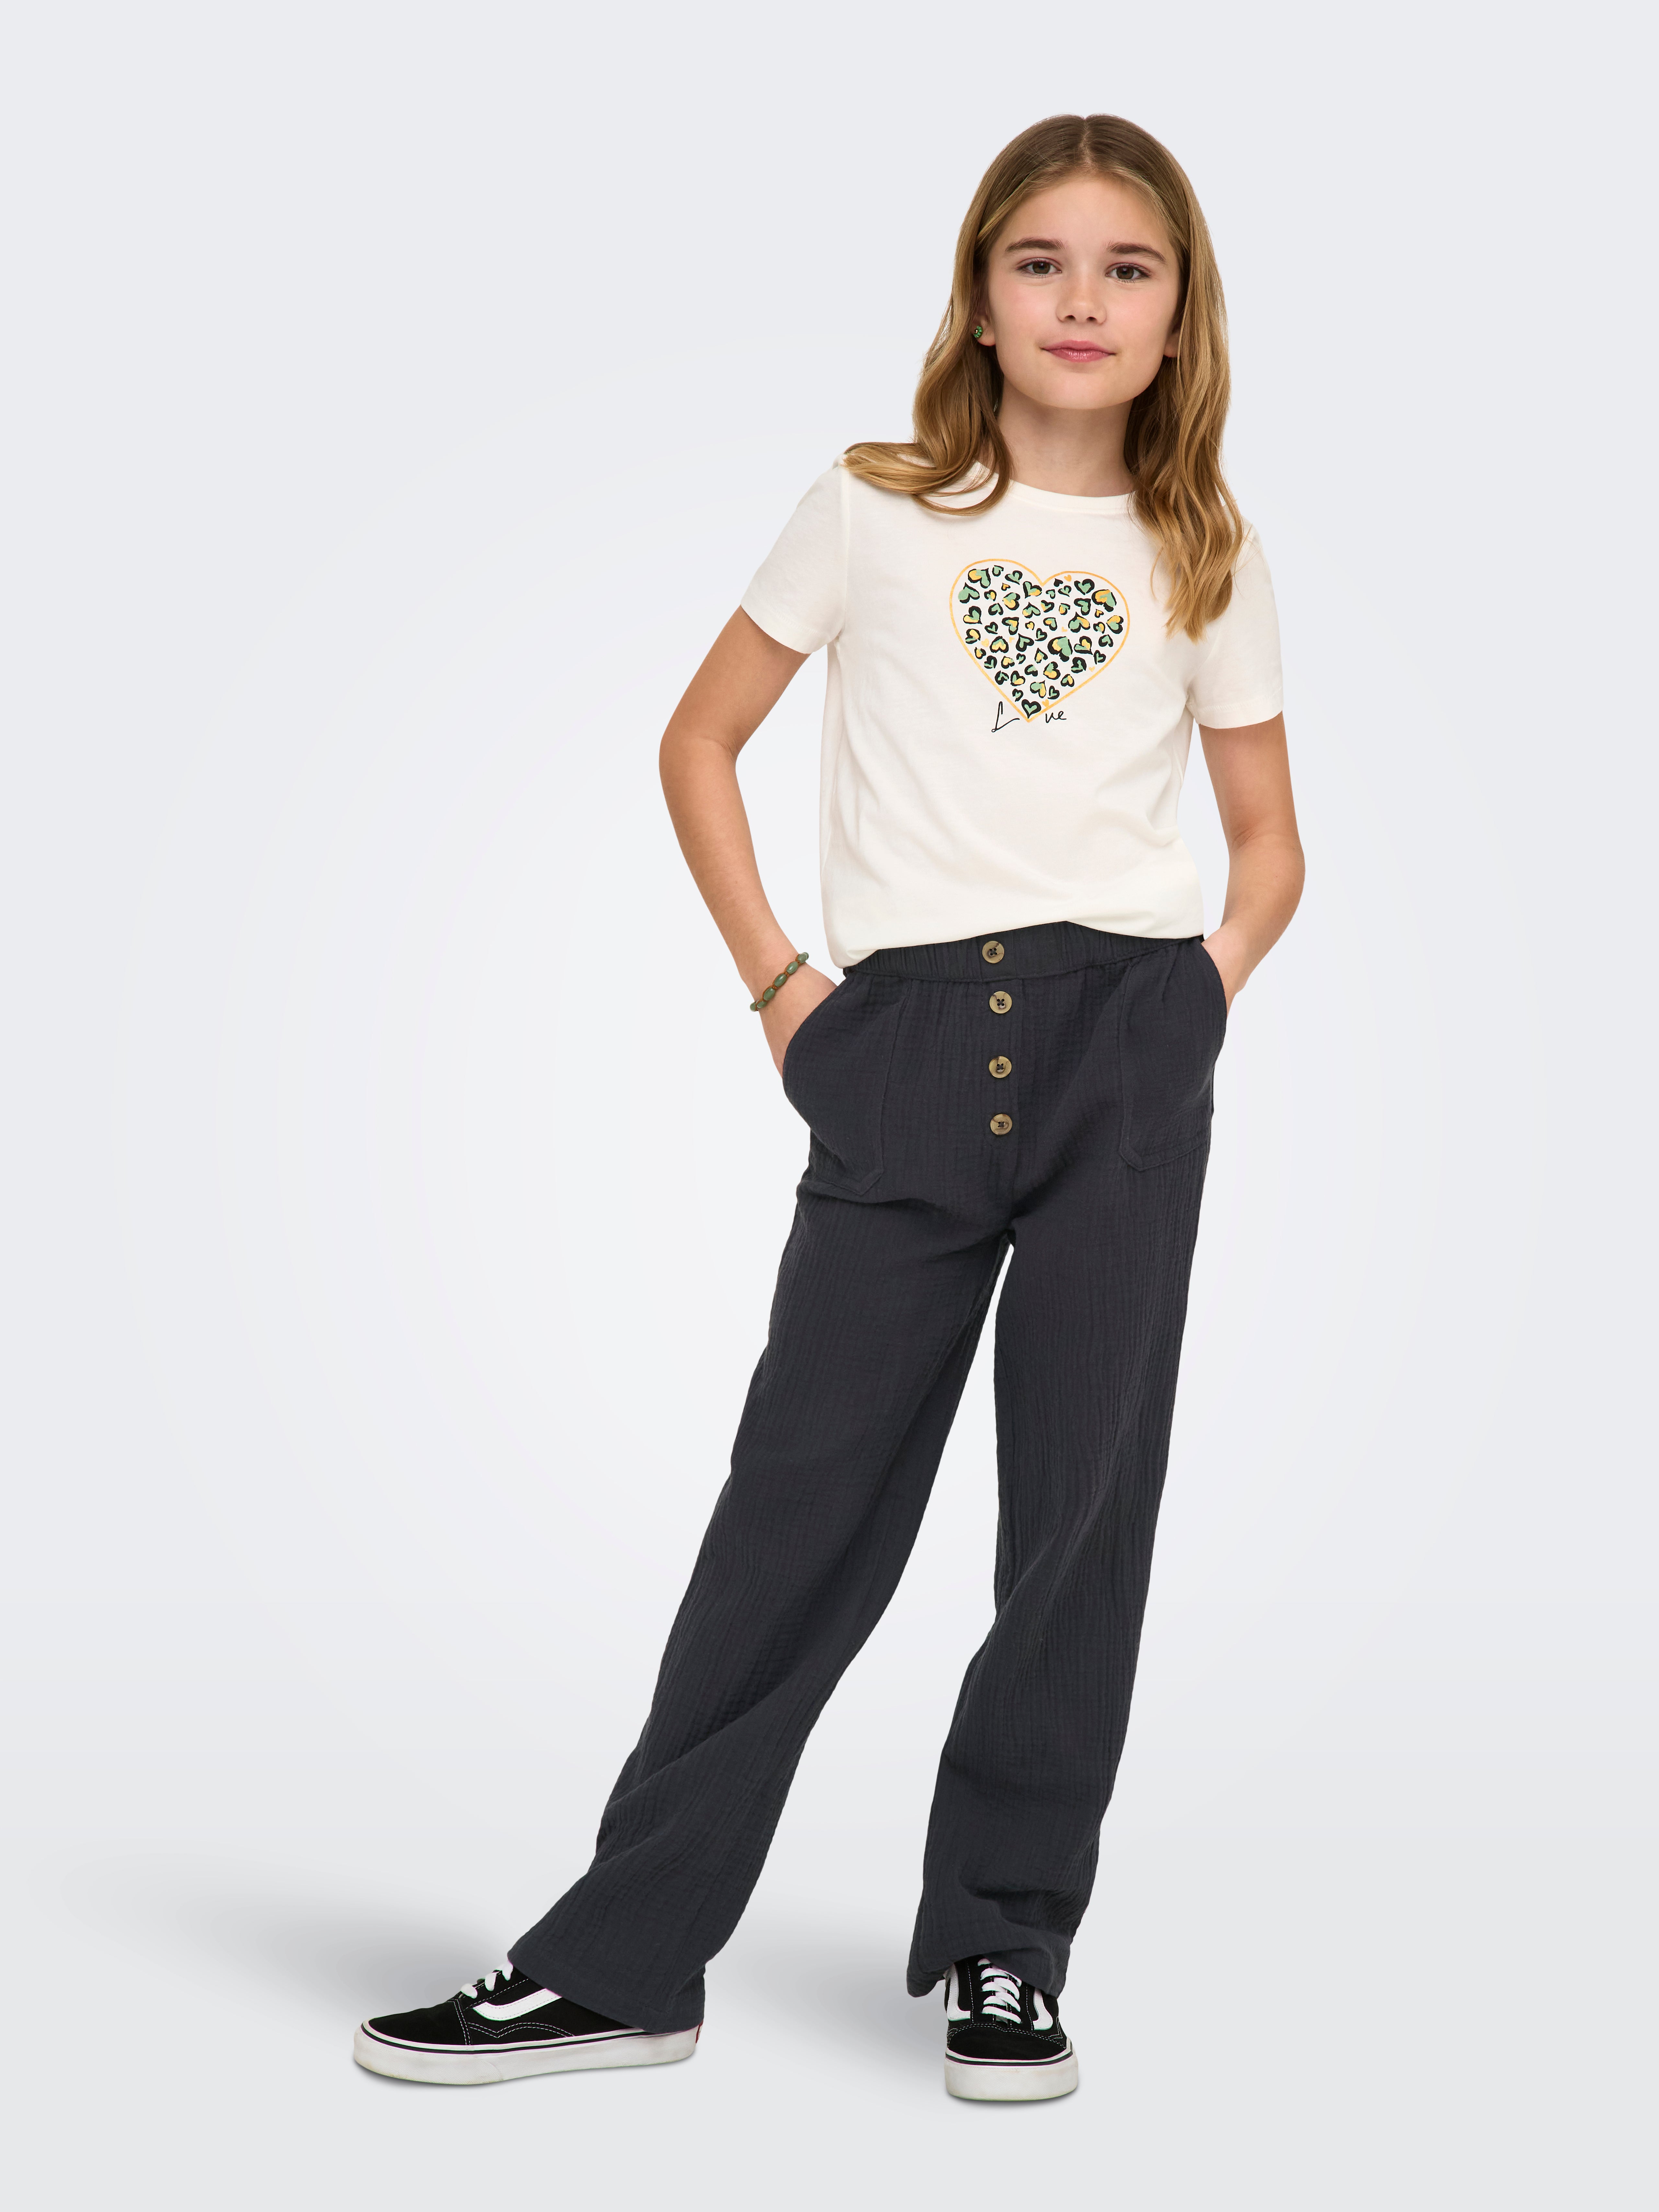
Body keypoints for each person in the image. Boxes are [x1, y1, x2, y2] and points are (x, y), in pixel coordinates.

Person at [355, 110, 1304, 2103]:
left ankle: (1006, 1947)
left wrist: (1186, 1007)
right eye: (1040, 260)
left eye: (1126, 267)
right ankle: (624, 1960)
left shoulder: (1203, 546)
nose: (1080, 299)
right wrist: (787, 993)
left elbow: (1267, 844)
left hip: (1127, 1048)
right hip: (900, 1046)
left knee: (1079, 1520)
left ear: (1177, 315)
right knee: (796, 1510)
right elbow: (699, 738)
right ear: (980, 292)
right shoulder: (871, 509)